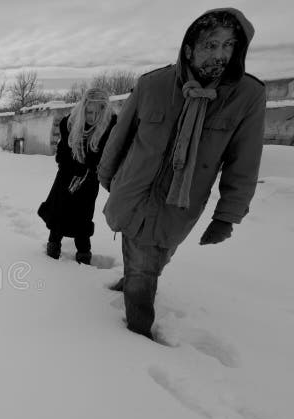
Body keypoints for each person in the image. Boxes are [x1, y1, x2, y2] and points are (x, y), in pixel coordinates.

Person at [97, 8, 266, 339]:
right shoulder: (152, 84)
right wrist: (109, 177)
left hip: (181, 203)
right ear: (189, 48)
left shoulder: (247, 97)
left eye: (228, 45)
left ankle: (134, 278)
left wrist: (227, 216)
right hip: (134, 190)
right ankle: (135, 335)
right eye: (211, 44)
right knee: (144, 263)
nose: (220, 54)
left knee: (157, 255)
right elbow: (120, 138)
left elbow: (243, 163)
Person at [38, 88, 117, 264]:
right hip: (66, 176)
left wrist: (89, 169)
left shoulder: (110, 127)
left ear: (104, 112)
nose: (92, 116)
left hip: (90, 179)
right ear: (83, 109)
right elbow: (62, 153)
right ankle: (53, 247)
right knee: (59, 211)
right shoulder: (71, 123)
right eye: (89, 111)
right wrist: (71, 167)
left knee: (84, 214)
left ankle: (83, 253)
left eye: (98, 113)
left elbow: (107, 155)